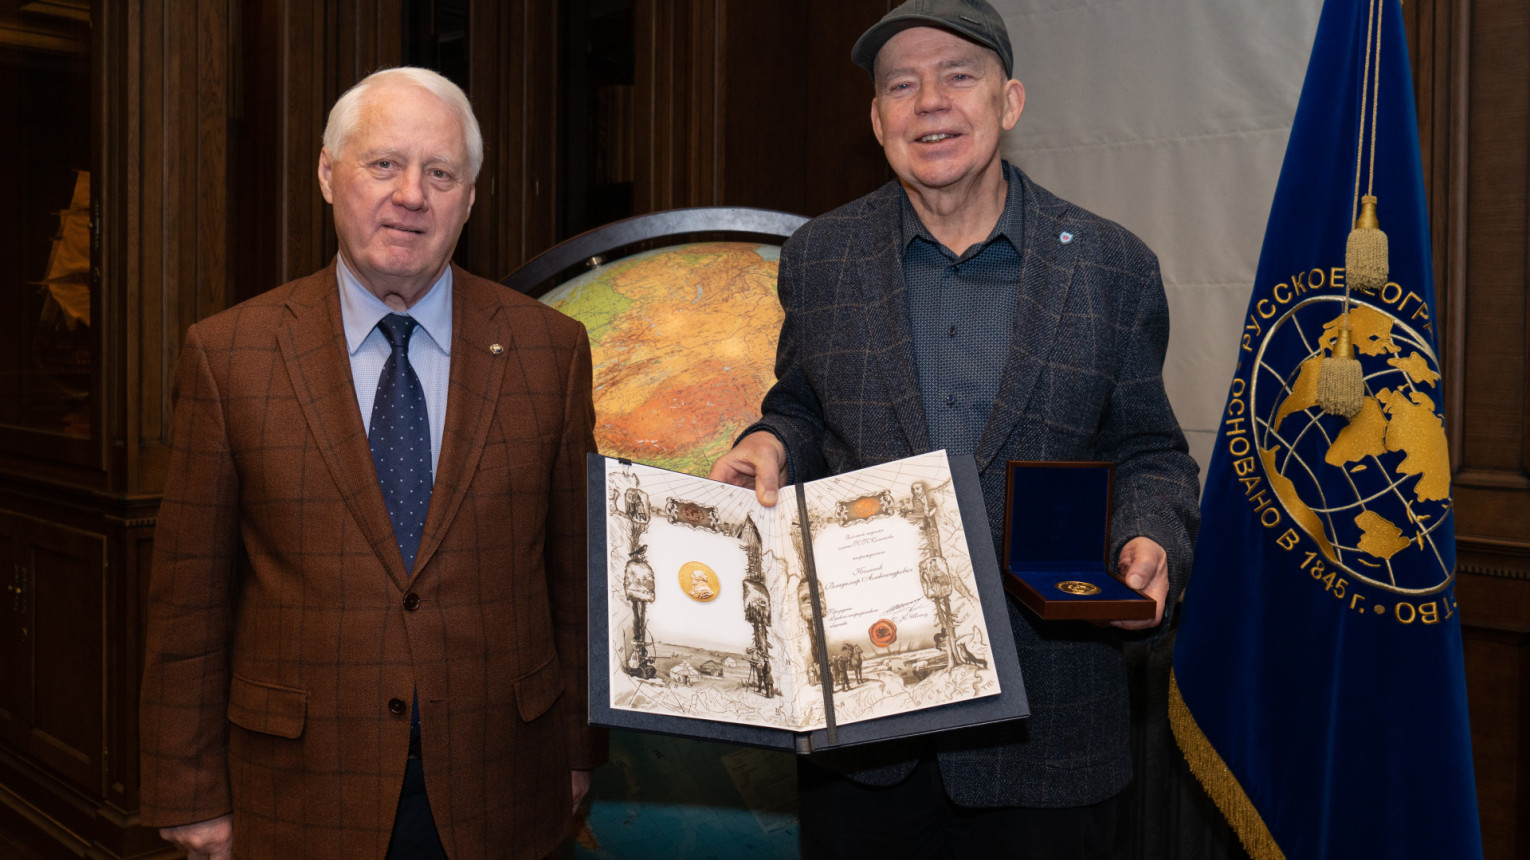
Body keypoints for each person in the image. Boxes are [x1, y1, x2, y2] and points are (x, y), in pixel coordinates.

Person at [707, 1, 1199, 856]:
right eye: (903, 85)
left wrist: (1152, 536)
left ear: (1009, 102)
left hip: (1051, 733)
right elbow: (804, 409)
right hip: (864, 737)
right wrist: (771, 441)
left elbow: (1150, 450)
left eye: (958, 76)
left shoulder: (1112, 266)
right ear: (877, 119)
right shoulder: (822, 259)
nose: (930, 101)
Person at [138, 68, 605, 860]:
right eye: (384, 163)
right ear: (328, 174)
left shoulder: (548, 350)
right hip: (298, 789)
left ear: (470, 197)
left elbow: (575, 579)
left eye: (441, 172)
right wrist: (190, 793)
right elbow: (189, 601)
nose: (412, 195)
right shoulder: (230, 355)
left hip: (503, 785)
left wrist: (574, 752)